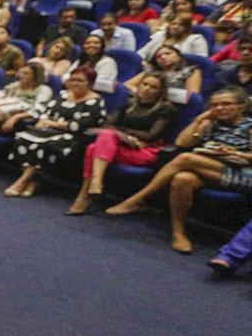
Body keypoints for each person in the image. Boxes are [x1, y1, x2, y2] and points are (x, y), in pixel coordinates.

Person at [107, 86, 252, 254]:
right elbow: (182, 143)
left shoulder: (249, 127)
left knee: (185, 159)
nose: (219, 108)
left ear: (241, 107)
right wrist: (199, 120)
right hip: (212, 170)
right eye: (214, 105)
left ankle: (137, 199)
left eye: (226, 104)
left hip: (244, 174)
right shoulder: (212, 124)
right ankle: (179, 233)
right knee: (182, 179)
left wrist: (233, 154)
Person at [66, 73, 176, 215]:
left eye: (153, 87)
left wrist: (121, 133)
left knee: (96, 146)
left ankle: (88, 191)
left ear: (160, 92)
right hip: (122, 146)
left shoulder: (165, 109)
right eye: (145, 84)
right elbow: (107, 124)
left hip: (145, 150)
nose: (147, 89)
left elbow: (151, 136)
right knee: (97, 144)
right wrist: (122, 136)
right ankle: (92, 187)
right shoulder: (129, 104)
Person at [4, 66, 106, 197]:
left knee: (46, 145)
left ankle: (22, 181)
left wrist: (51, 123)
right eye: (72, 80)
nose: (75, 83)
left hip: (73, 136)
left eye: (80, 81)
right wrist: (43, 120)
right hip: (48, 130)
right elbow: (46, 111)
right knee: (22, 138)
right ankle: (33, 181)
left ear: (90, 83)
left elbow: (80, 124)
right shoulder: (63, 95)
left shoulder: (96, 102)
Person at [125, 44, 200, 98]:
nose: (163, 57)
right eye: (158, 56)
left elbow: (192, 97)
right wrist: (142, 92)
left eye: (168, 54)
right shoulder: (151, 71)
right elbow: (127, 85)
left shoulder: (190, 71)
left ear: (179, 57)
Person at [137, 14, 208, 61]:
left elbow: (202, 60)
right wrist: (143, 62)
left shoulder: (195, 39)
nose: (176, 27)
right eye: (173, 24)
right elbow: (141, 53)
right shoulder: (160, 36)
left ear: (187, 27)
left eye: (181, 25)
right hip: (152, 70)